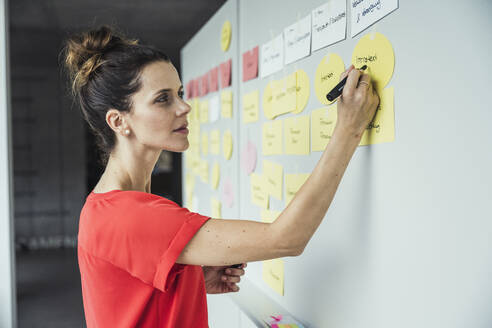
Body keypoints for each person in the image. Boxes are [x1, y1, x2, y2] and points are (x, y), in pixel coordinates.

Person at [62, 25, 379, 328]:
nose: (184, 107)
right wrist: (348, 129)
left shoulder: (106, 207)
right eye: (163, 98)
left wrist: (190, 277)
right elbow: (286, 239)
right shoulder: (129, 215)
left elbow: (132, 298)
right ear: (119, 121)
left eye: (180, 93)